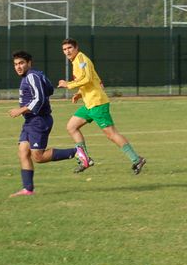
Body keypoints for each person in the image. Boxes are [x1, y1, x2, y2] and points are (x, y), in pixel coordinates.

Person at [58, 38, 146, 175]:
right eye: (64, 49)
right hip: (89, 104)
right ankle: (85, 159)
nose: (67, 51)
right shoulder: (76, 61)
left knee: (111, 134)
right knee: (71, 126)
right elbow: (94, 80)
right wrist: (79, 93)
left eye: (69, 48)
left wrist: (68, 85)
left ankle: (136, 159)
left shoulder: (81, 59)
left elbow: (87, 79)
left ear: (76, 48)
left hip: (97, 103)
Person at [8, 51, 78, 196]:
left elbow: (38, 99)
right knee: (23, 152)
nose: (18, 67)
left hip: (38, 121)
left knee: (38, 157)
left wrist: (20, 110)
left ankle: (78, 152)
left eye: (21, 63)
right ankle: (27, 189)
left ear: (29, 63)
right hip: (30, 121)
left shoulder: (32, 76)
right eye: (15, 64)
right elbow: (50, 89)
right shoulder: (33, 76)